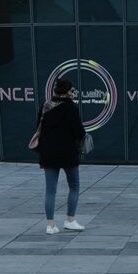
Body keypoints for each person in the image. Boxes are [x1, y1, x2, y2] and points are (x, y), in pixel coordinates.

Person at [35, 78, 86, 234]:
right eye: (71, 90)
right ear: (68, 92)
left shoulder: (46, 106)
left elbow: (38, 127)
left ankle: (50, 225)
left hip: (48, 153)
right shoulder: (72, 108)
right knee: (74, 186)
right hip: (68, 153)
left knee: (50, 190)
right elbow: (79, 132)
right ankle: (70, 220)